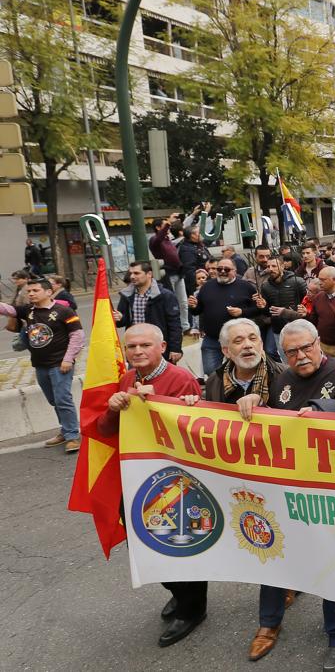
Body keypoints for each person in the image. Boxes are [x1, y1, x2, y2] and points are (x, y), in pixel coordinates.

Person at [263, 319, 335, 671]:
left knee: (333, 559)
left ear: (318, 344)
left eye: (306, 347)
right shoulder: (281, 380)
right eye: (291, 351)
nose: (300, 356)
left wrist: (322, 412)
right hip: (294, 487)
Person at [96, 324, 204, 647]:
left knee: (178, 544)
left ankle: (193, 608)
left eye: (145, 345)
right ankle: (176, 590)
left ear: (162, 347)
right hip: (137, 477)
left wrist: (156, 403)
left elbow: (194, 432)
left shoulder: (180, 379)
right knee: (143, 543)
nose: (138, 351)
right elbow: (104, 430)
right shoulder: (128, 379)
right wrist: (114, 407)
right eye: (131, 347)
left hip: (174, 481)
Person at [0, 278, 84, 452]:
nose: (30, 294)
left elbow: (77, 336)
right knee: (54, 400)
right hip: (40, 365)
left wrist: (68, 359)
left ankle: (72, 436)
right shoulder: (28, 311)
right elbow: (7, 309)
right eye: (29, 291)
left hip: (60, 364)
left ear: (48, 292)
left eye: (35, 290)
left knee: (62, 399)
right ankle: (65, 430)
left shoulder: (64, 311)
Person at [187, 257, 260, 377]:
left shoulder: (246, 287)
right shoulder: (207, 287)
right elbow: (197, 311)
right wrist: (194, 306)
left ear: (234, 271)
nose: (222, 271)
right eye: (219, 269)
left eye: (226, 269)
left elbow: (258, 310)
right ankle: (219, 392)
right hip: (212, 339)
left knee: (242, 371)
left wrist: (242, 312)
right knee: (211, 371)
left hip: (238, 340)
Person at [114, 261, 182, 363]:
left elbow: (174, 324)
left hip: (158, 350)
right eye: (130, 273)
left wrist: (175, 348)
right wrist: (120, 318)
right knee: (138, 378)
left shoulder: (165, 295)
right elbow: (122, 322)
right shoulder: (127, 295)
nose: (132, 276)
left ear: (149, 274)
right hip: (135, 351)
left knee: (162, 378)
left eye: (136, 273)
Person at [256, 253, 307, 354]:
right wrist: (262, 307)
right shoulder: (265, 286)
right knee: (280, 356)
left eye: (274, 266)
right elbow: (267, 312)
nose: (271, 269)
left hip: (298, 328)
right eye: (268, 266)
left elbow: (308, 303)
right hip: (278, 329)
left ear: (282, 266)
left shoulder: (297, 281)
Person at [303, 266, 335, 360]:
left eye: (323, 280)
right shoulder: (318, 297)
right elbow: (314, 321)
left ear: (334, 280)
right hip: (322, 345)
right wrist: (305, 315)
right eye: (319, 279)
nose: (319, 282)